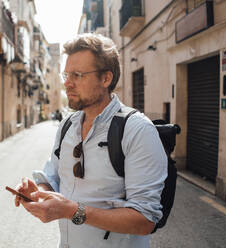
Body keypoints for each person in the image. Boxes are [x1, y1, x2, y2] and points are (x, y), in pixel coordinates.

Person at [13, 33, 167, 248]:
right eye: (66, 74)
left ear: (106, 79)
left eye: (77, 75)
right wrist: (38, 192)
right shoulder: (68, 125)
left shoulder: (137, 130)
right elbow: (53, 177)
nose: (67, 83)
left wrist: (72, 211)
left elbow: (145, 220)